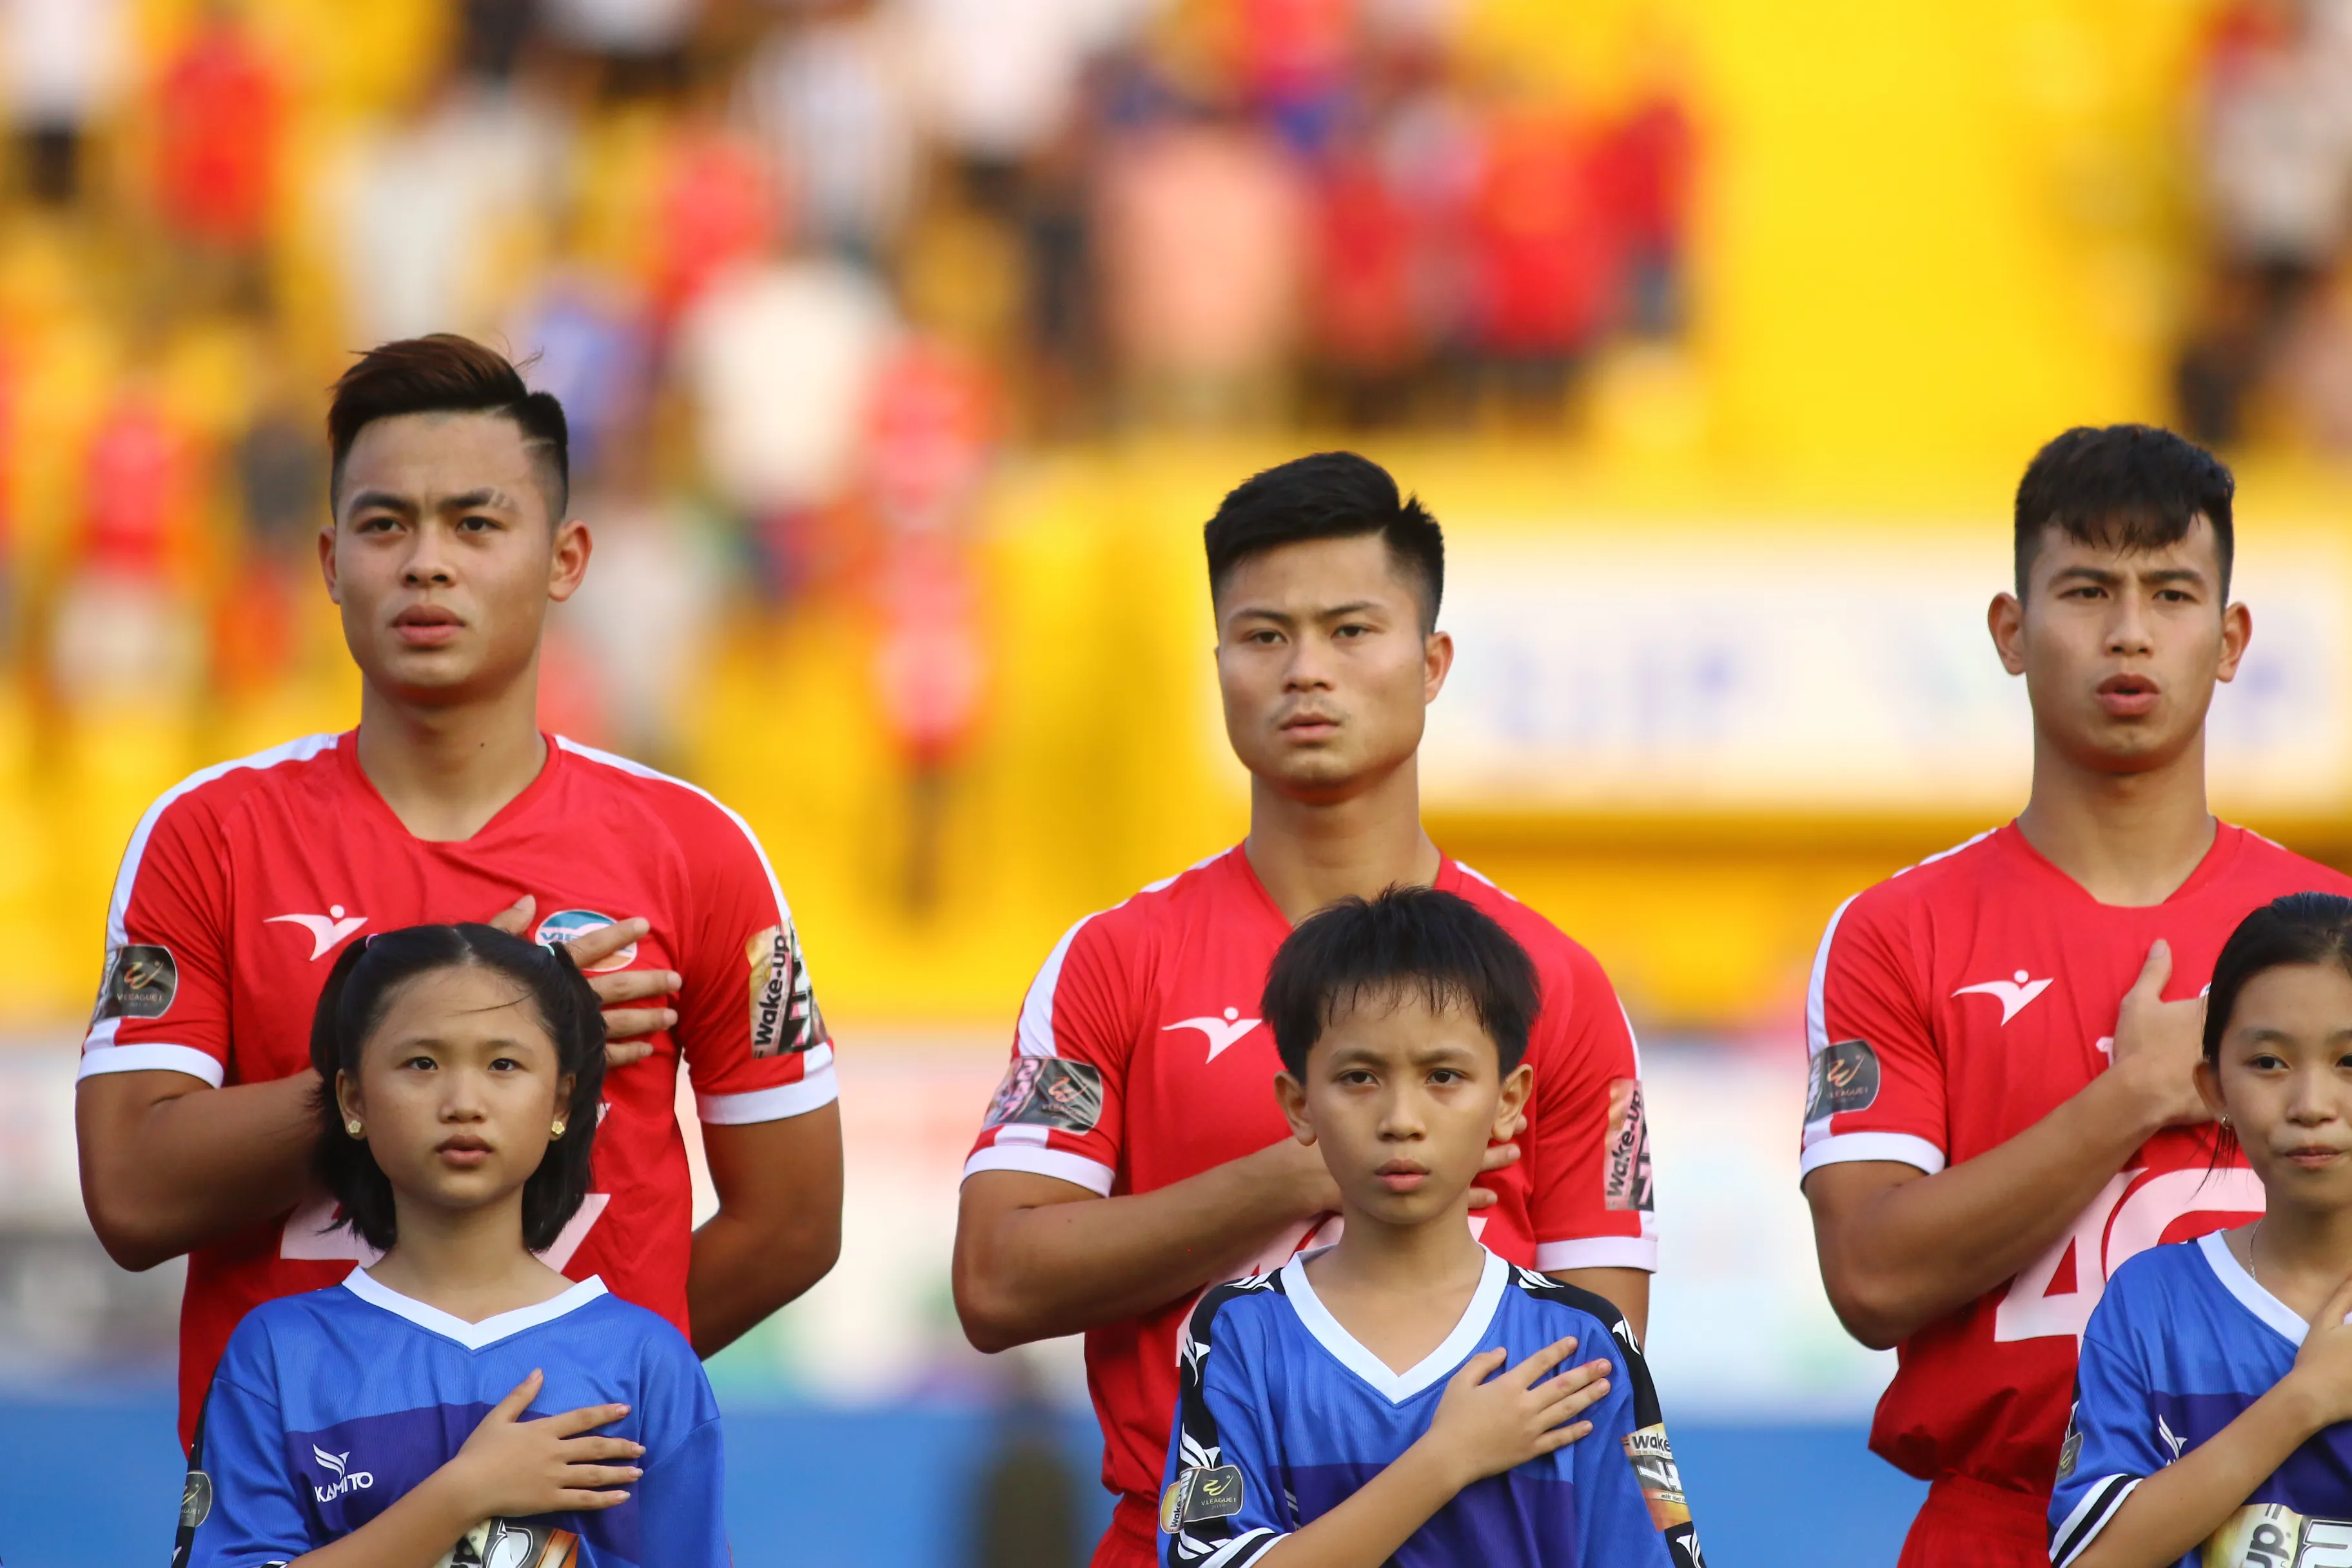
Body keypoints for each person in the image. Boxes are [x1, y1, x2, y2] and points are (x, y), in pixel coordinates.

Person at [75, 335, 842, 1452]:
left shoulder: (696, 850)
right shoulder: (211, 835)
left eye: (476, 525)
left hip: (584, 1510)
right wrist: (468, 1015)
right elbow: (134, 1195)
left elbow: (793, 1224)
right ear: (332, 562)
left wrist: (570, 1379)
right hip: (291, 1508)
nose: (425, 563)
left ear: (565, 557)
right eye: (387, 526)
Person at [954, 451, 1656, 1568]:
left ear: (1431, 663)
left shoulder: (1550, 980)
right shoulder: (1113, 960)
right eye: (1263, 635)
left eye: (1349, 631)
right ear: (1218, 661)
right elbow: (994, 1281)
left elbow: (1603, 1348)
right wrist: (1298, 1175)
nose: (1303, 672)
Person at [1799, 423, 2352, 1566]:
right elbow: (1869, 1278)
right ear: (2010, 631)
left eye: (2170, 591)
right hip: (2000, 1518)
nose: (2129, 632)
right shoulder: (1896, 931)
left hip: (2306, 1512)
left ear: (2230, 635)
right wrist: (2133, 1094)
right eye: (2086, 589)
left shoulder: (2328, 928)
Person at [1159, 887, 1698, 1568]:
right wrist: (1445, 1459)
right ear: (1300, 1105)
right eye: (1360, 1076)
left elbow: (1666, 1539)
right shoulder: (1233, 1335)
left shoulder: (1591, 1340)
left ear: (1508, 1102)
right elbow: (1204, 1557)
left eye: (1444, 1075)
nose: (1401, 1117)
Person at [185, 923, 725, 1568]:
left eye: (503, 1064)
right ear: (353, 1099)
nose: (463, 1102)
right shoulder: (276, 1351)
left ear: (561, 1099)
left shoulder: (646, 1359)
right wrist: (465, 1491)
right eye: (423, 1063)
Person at [2046, 892, 2352, 1567]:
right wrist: (2305, 1399)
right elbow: (2095, 1558)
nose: (2312, 1105)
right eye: (2269, 1062)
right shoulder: (2151, 1302)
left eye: (2349, 1062)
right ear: (2213, 1088)